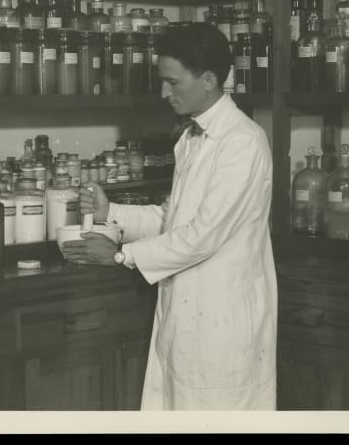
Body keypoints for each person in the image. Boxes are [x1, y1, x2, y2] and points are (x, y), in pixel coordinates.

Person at [61, 24, 277, 410]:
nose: (164, 93)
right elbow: (173, 217)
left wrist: (119, 256)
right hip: (187, 317)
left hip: (221, 325)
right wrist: (110, 212)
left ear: (208, 80)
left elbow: (201, 236)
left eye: (173, 82)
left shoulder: (242, 142)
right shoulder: (193, 137)